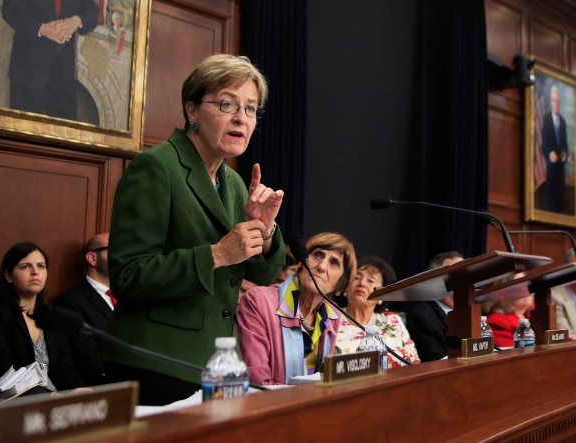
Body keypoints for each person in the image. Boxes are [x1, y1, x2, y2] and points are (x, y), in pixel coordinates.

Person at [105, 54, 285, 405]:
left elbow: (260, 278)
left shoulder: (234, 183)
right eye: (227, 104)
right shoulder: (156, 167)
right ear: (192, 111)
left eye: (251, 108)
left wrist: (264, 234)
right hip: (155, 364)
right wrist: (216, 255)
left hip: (216, 366)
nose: (241, 117)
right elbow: (127, 276)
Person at [236, 232, 355, 385]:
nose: (321, 267)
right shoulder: (258, 301)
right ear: (301, 263)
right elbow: (258, 381)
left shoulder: (333, 315)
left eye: (334, 263)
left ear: (340, 284)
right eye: (317, 255)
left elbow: (324, 378)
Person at [0, 242, 85, 395]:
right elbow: (2, 374)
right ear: (8, 276)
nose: (35, 272)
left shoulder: (52, 317)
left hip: (54, 401)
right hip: (14, 402)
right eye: (25, 266)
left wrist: (80, 391)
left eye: (41, 266)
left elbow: (65, 370)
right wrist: (49, 397)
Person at [2, 0, 99, 120]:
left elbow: (94, 12)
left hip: (63, 74)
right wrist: (42, 29)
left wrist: (76, 21)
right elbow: (10, 11)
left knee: (63, 129)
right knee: (23, 127)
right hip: (29, 70)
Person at [335, 255, 419, 368]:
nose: (362, 283)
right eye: (356, 277)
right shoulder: (331, 318)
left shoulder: (392, 320)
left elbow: (414, 363)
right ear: (346, 287)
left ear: (382, 295)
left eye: (370, 280)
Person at [55, 233, 113, 385]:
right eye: (115, 248)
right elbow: (87, 356)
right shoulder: (70, 302)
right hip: (104, 387)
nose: (122, 255)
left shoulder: (130, 298)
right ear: (92, 258)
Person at [405, 251, 464, 361]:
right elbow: (435, 359)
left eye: (464, 274)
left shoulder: (471, 312)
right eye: (455, 274)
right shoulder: (421, 315)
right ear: (435, 282)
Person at [540, 85, 569, 213]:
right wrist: (549, 153)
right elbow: (543, 143)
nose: (556, 104)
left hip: (560, 166)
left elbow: (565, 145)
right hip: (550, 165)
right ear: (551, 101)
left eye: (558, 101)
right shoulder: (545, 119)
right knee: (550, 195)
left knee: (560, 195)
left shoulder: (562, 121)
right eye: (554, 100)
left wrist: (565, 154)